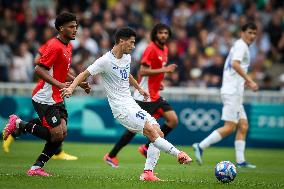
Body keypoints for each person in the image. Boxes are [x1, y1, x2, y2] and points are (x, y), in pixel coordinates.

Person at [60, 27, 192, 181]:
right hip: (120, 108)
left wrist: (139, 88)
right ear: (121, 41)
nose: (134, 46)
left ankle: (148, 173)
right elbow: (83, 74)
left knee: (158, 131)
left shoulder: (126, 58)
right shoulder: (104, 61)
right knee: (151, 131)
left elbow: (126, 74)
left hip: (131, 103)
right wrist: (70, 88)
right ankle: (179, 154)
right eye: (132, 42)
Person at [2, 12, 91, 176]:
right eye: (71, 27)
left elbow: (62, 71)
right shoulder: (54, 45)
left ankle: (36, 168)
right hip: (44, 97)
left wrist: (77, 82)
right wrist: (58, 84)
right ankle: (19, 124)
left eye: (76, 26)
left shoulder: (68, 46)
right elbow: (38, 69)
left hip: (57, 96)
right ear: (60, 28)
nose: (75, 30)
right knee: (55, 134)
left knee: (62, 133)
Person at [103, 23, 179, 168]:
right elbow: (143, 71)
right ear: (155, 34)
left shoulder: (165, 49)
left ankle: (146, 147)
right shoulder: (150, 48)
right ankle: (111, 155)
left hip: (155, 94)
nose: (163, 35)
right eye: (160, 33)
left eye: (166, 33)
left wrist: (159, 83)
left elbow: (156, 72)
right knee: (134, 129)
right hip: (144, 96)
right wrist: (165, 70)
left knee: (173, 120)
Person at [192, 23, 259, 168]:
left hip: (234, 91)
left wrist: (243, 80)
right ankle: (200, 146)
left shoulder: (238, 45)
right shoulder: (241, 45)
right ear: (242, 32)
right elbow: (235, 64)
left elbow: (234, 67)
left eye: (255, 33)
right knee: (230, 127)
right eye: (250, 32)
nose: (252, 36)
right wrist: (250, 80)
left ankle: (240, 161)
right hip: (232, 92)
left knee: (243, 126)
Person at [3, 54, 79, 161]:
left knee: (59, 128)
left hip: (58, 97)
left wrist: (76, 80)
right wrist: (76, 80)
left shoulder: (65, 51)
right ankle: (17, 127)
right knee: (56, 130)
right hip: (48, 97)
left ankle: (18, 129)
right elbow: (39, 65)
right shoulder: (53, 49)